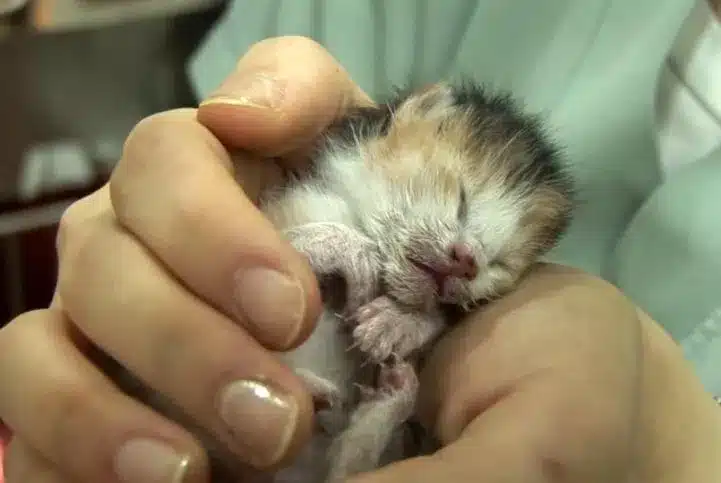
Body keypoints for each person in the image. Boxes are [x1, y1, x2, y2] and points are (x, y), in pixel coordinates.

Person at [2, 1, 721, 482]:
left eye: (499, 264)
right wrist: (156, 230)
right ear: (414, 115)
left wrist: (682, 450)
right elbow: (258, 215)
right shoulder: (335, 171)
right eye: (462, 201)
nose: (469, 260)